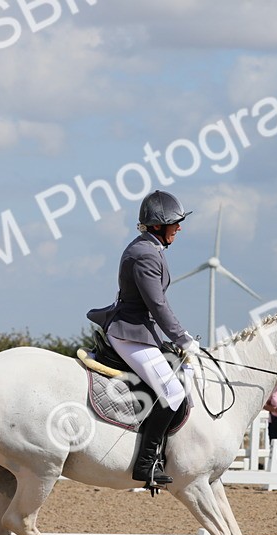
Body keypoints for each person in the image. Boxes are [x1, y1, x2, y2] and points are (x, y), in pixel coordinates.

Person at [87, 190, 199, 490]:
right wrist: (183, 338)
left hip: (141, 330)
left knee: (182, 375)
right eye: (175, 222)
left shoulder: (150, 249)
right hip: (130, 334)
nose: (179, 227)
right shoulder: (144, 253)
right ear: (159, 225)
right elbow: (157, 304)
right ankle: (146, 463)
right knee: (173, 392)